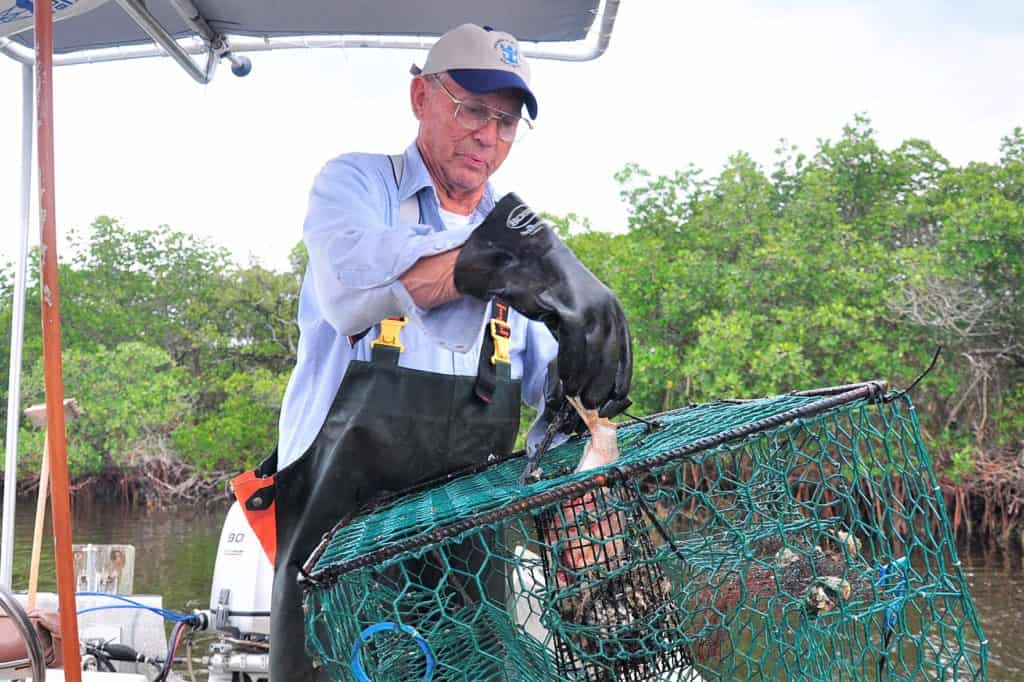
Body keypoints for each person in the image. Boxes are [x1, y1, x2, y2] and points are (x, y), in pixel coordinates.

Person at [231, 23, 632, 680]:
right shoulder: (357, 186)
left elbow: (555, 412)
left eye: (506, 123)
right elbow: (351, 294)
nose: (487, 135)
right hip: (338, 565)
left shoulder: (522, 234)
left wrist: (591, 390)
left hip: (468, 574)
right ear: (421, 96)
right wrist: (479, 265)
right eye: (473, 109)